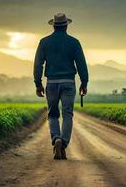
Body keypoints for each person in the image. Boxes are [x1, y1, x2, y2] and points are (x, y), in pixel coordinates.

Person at [33, 13, 89, 160]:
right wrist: (84, 82)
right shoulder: (74, 42)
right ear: (66, 25)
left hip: (51, 83)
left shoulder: (44, 42)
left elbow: (38, 64)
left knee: (52, 114)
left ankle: (56, 138)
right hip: (69, 83)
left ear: (54, 25)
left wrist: (38, 83)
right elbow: (81, 64)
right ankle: (63, 143)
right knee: (67, 114)